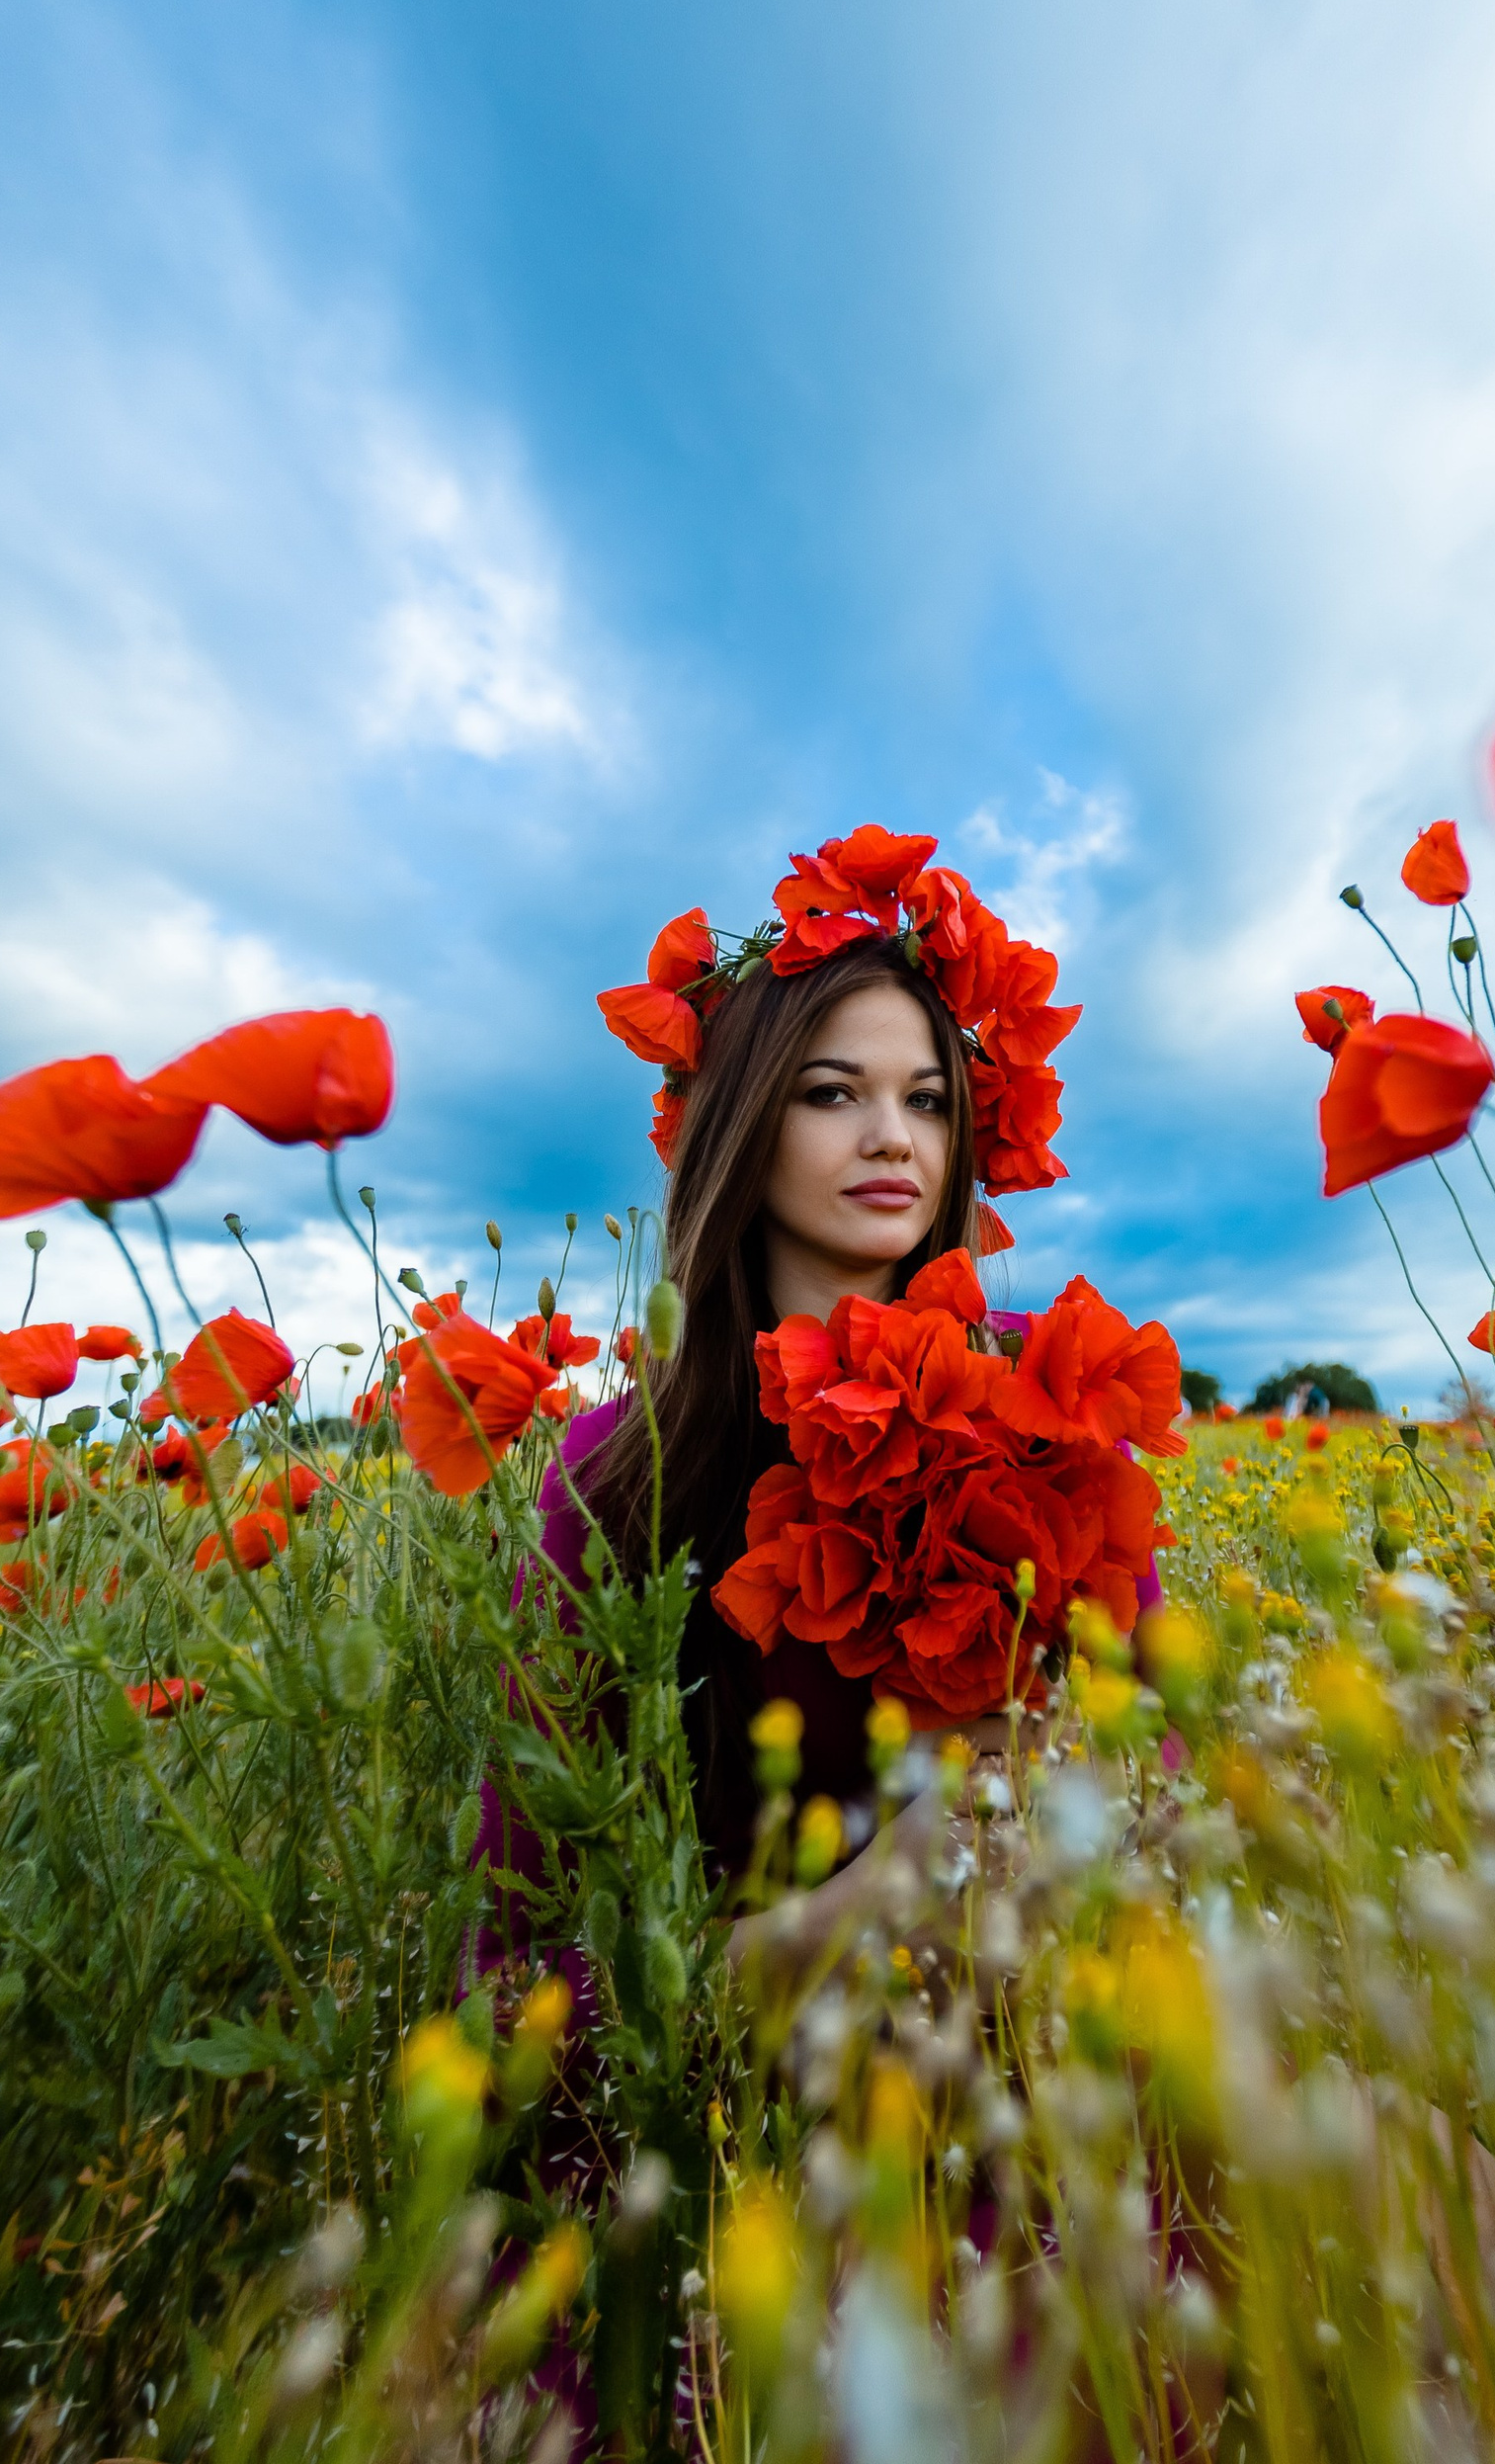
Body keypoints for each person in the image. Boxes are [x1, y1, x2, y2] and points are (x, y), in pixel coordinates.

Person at [491, 827, 1163, 1975]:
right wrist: (863, 1908)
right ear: (743, 1122)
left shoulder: (1046, 1383)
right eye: (831, 1092)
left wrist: (1094, 1786)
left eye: (928, 1100)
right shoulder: (619, 1469)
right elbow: (519, 1962)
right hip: (770, 2101)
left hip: (1074, 2023)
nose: (893, 1137)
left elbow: (1169, 1752)